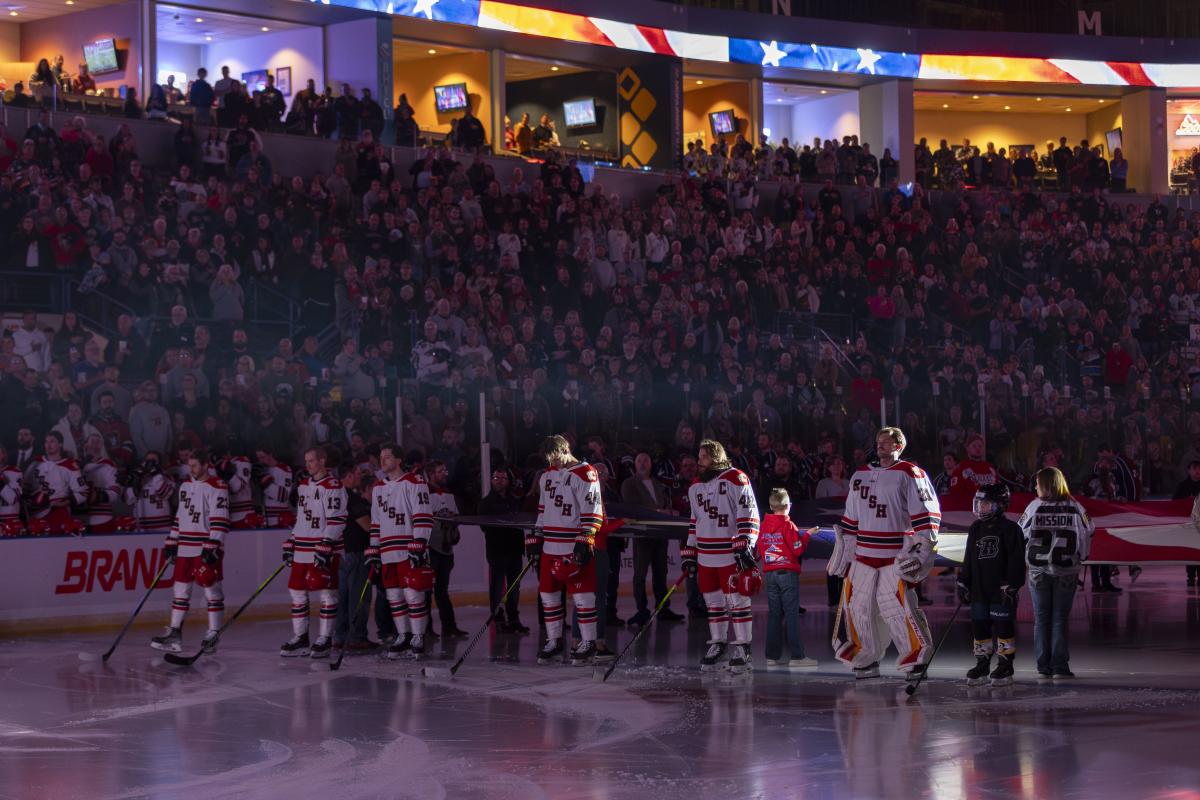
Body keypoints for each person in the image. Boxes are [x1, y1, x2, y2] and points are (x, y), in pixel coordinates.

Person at [830, 427, 941, 680]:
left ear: (899, 446)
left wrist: (920, 550)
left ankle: (916, 656)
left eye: (887, 442)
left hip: (895, 555)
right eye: (879, 441)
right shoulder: (859, 475)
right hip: (863, 555)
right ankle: (866, 655)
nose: (880, 445)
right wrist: (845, 552)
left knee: (898, 608)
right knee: (859, 608)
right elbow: (850, 519)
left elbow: (927, 516)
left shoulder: (911, 473)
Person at [682, 439, 761, 673]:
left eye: (704, 456)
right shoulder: (695, 487)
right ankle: (718, 643)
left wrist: (745, 543)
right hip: (706, 555)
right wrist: (690, 551)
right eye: (699, 457)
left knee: (737, 601)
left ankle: (743, 646)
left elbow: (749, 511)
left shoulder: (736, 478)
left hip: (729, 553)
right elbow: (695, 521)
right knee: (713, 603)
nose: (699, 461)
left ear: (716, 457)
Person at [527, 435, 605, 665]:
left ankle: (589, 642)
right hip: (550, 545)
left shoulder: (586, 473)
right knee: (548, 594)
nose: (552, 463)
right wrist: (536, 537)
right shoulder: (546, 476)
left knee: (582, 595)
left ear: (564, 450)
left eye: (554, 458)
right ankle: (554, 640)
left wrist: (585, 538)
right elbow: (542, 511)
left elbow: (594, 510)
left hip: (574, 545)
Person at [149, 452, 229, 654]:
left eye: (194, 465)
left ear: (206, 465)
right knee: (180, 591)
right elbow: (180, 515)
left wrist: (214, 544)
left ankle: (213, 632)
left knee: (212, 589)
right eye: (189, 465)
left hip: (205, 546)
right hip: (185, 546)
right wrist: (172, 539)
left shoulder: (217, 487)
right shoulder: (185, 486)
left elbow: (220, 519)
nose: (191, 469)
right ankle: (174, 634)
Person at [1019, 467, 1093, 679]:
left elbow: (1020, 532)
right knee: (1060, 619)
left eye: (1037, 483)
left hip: (1038, 571)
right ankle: (1060, 666)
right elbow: (1089, 531)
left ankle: (1043, 665)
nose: (1034, 487)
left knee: (1041, 619)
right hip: (1067, 570)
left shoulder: (1034, 507)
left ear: (1046, 484)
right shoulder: (1075, 507)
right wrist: (1082, 556)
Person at [279, 446, 347, 659]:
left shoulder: (334, 486)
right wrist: (292, 540)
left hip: (323, 548)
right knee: (297, 591)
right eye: (306, 460)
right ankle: (301, 637)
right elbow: (302, 518)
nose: (307, 464)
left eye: (311, 460)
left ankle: (325, 639)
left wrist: (327, 542)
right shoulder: (304, 486)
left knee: (327, 593)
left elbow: (338, 518)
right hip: (303, 547)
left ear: (322, 461)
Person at [368, 447, 434, 659]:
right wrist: (373, 547)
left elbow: (423, 514)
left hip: (408, 547)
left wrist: (420, 541)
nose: (382, 460)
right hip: (387, 550)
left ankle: (418, 636)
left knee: (413, 593)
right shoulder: (378, 488)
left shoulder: (414, 482)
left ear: (398, 459)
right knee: (394, 595)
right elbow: (376, 521)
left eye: (387, 457)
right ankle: (403, 635)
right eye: (380, 457)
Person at [957, 483, 1025, 687]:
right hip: (979, 589)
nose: (981, 508)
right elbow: (968, 557)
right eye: (979, 503)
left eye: (986, 504)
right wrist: (963, 581)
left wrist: (1012, 585)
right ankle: (982, 662)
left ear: (1001, 504)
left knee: (1003, 626)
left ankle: (1005, 663)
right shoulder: (975, 528)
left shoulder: (1011, 529)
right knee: (980, 626)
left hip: (1001, 590)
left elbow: (1016, 560)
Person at [620, 452, 683, 628]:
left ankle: (663, 608)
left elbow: (664, 504)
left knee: (661, 573)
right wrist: (659, 512)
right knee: (640, 574)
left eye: (646, 460)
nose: (642, 463)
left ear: (650, 464)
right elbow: (632, 506)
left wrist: (669, 511)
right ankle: (642, 610)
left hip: (660, 534)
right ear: (634, 464)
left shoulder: (657, 484)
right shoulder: (629, 483)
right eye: (639, 460)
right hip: (642, 534)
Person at [756, 488, 817, 669]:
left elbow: (760, 548)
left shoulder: (763, 525)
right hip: (787, 575)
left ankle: (771, 657)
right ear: (787, 505)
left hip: (770, 574)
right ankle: (797, 656)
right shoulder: (788, 525)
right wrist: (807, 535)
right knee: (791, 615)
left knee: (775, 615)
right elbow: (797, 549)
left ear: (771, 506)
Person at [479, 467, 529, 632]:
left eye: (503, 478)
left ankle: (513, 618)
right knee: (497, 586)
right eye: (496, 477)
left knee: (514, 586)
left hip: (514, 549)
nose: (499, 481)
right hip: (497, 550)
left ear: (508, 481)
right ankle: (498, 619)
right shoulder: (486, 503)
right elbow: (484, 527)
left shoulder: (514, 501)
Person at [334, 462, 376, 652]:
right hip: (358, 553)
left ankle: (340, 635)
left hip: (344, 554)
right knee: (359, 597)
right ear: (349, 476)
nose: (360, 476)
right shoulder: (352, 499)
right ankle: (357, 637)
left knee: (344, 597)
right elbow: (368, 527)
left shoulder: (336, 496)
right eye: (357, 473)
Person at [427, 459, 467, 637]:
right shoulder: (424, 493)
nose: (444, 473)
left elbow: (455, 519)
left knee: (442, 590)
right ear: (431, 474)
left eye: (445, 470)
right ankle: (425, 628)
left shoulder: (449, 494)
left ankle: (448, 626)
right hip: (430, 548)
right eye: (440, 470)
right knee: (426, 590)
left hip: (445, 548)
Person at [23, 431, 87, 532]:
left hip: (59, 512)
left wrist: (67, 502)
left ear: (60, 444)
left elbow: (83, 492)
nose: (48, 445)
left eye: (52, 441)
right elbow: (25, 489)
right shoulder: (35, 462)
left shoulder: (69, 465)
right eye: (46, 442)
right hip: (35, 514)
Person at [123, 452, 175, 530]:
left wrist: (156, 474)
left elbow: (164, 493)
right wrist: (137, 482)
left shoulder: (166, 478)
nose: (150, 463)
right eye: (148, 461)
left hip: (162, 526)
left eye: (153, 461)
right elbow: (128, 500)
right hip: (141, 527)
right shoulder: (137, 478)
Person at [1174, 460, 1200, 586]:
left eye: (1199, 468)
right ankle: (1190, 576)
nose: (1197, 471)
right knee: (1191, 551)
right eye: (1194, 468)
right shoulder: (1183, 486)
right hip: (1189, 525)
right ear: (1189, 470)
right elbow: (1174, 503)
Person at [255, 447, 293, 527]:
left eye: (262, 457)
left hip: (281, 519)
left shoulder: (284, 469)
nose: (261, 461)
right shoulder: (263, 470)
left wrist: (265, 483)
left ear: (270, 454)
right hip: (266, 518)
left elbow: (284, 496)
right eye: (258, 458)